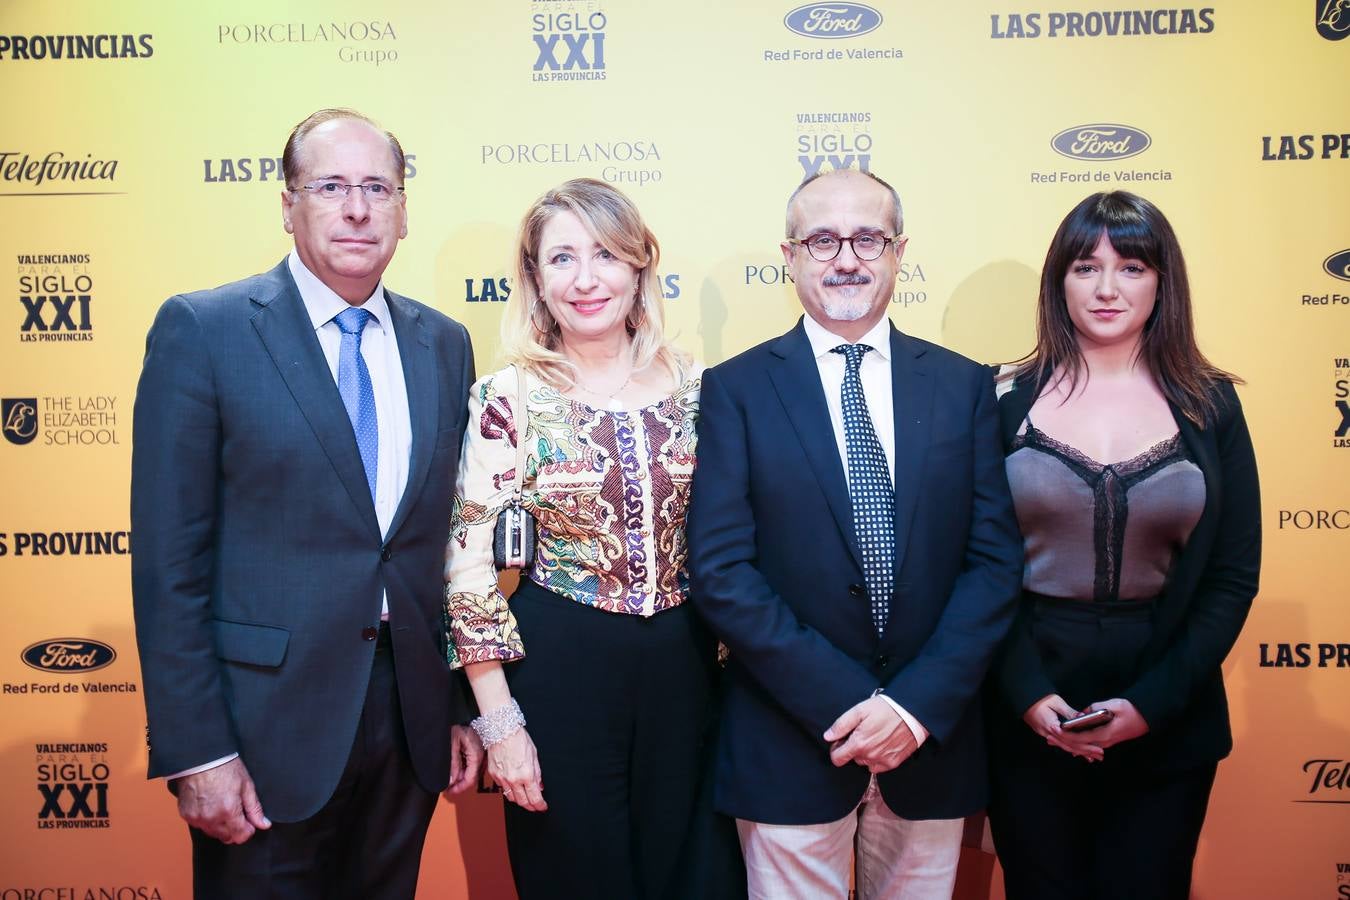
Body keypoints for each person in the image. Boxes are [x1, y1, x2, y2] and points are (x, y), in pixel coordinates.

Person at [131, 108, 482, 899]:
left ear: (402, 208)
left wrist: (456, 702)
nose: (357, 209)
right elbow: (168, 565)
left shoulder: (445, 342)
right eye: (330, 186)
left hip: (408, 726)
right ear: (287, 204)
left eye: (377, 188)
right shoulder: (205, 330)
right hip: (261, 734)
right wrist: (197, 751)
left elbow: (443, 549)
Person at [686, 167, 1024, 899]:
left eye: (868, 238)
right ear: (791, 255)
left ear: (900, 251)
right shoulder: (735, 389)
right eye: (823, 240)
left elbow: (994, 563)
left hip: (929, 742)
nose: (846, 258)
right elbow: (721, 571)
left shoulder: (964, 385)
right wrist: (848, 704)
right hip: (789, 739)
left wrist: (909, 710)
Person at [444, 177, 736, 899]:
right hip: (560, 670)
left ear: (640, 267)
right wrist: (501, 724)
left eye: (605, 254)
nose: (585, 279)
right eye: (562, 259)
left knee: (695, 879)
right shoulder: (506, 398)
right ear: (536, 281)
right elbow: (466, 569)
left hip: (692, 670)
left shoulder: (706, 390)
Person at [985, 191, 1261, 900]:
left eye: (1131, 267)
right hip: (1028, 702)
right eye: (1086, 267)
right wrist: (1026, 694)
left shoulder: (1213, 405)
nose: (1107, 288)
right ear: (1058, 281)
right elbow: (978, 566)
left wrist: (1150, 705)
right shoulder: (1001, 400)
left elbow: (1231, 577)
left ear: (1163, 280)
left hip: (1170, 700)